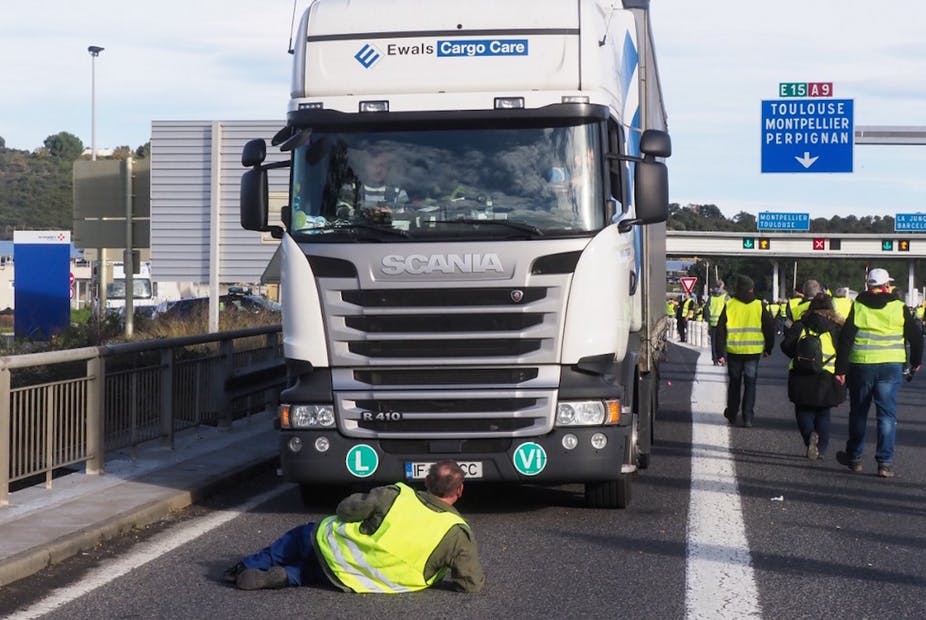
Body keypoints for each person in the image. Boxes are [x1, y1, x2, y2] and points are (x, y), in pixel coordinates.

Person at [223, 460, 485, 592]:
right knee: (308, 575)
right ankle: (286, 576)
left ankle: (246, 565)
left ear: (426, 481)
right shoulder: (457, 533)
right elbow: (470, 584)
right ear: (460, 490)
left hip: (331, 547)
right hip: (354, 578)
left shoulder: (395, 494)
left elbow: (346, 510)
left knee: (300, 538)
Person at [835, 268, 923, 478]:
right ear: (886, 286)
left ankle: (855, 458)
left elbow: (846, 338)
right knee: (886, 415)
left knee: (859, 413)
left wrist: (840, 369)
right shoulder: (898, 307)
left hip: (862, 365)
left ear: (868, 285)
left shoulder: (859, 306)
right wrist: (915, 361)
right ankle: (885, 463)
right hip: (891, 366)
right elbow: (916, 337)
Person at [780, 293, 846, 460]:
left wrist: (798, 357)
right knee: (823, 413)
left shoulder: (801, 324)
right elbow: (844, 352)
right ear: (831, 308)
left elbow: (786, 346)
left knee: (803, 410)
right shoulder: (836, 327)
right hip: (827, 374)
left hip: (801, 372)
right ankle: (821, 449)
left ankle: (809, 435)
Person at [716, 275, 776, 427]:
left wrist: (719, 353)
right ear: (751, 289)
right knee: (750, 384)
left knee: (734, 384)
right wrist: (768, 348)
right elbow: (769, 328)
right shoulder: (759, 305)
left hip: (734, 351)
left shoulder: (729, 305)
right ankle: (748, 416)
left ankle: (732, 412)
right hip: (753, 352)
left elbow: (720, 330)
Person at [703, 282, 728, 365]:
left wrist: (708, 320)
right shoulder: (725, 296)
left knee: (713, 342)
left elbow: (706, 308)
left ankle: (715, 359)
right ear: (722, 286)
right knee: (723, 342)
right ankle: (723, 358)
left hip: (713, 322)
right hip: (723, 323)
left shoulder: (711, 296)